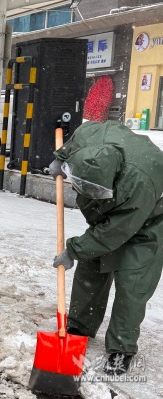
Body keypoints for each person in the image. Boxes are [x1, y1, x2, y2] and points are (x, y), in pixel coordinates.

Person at [49, 121, 163, 376]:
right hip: (114, 211)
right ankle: (80, 325)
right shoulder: (89, 137)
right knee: (92, 266)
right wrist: (61, 158)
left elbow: (114, 232)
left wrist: (74, 250)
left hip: (150, 221)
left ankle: (121, 348)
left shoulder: (138, 185)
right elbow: (75, 141)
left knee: (132, 283)